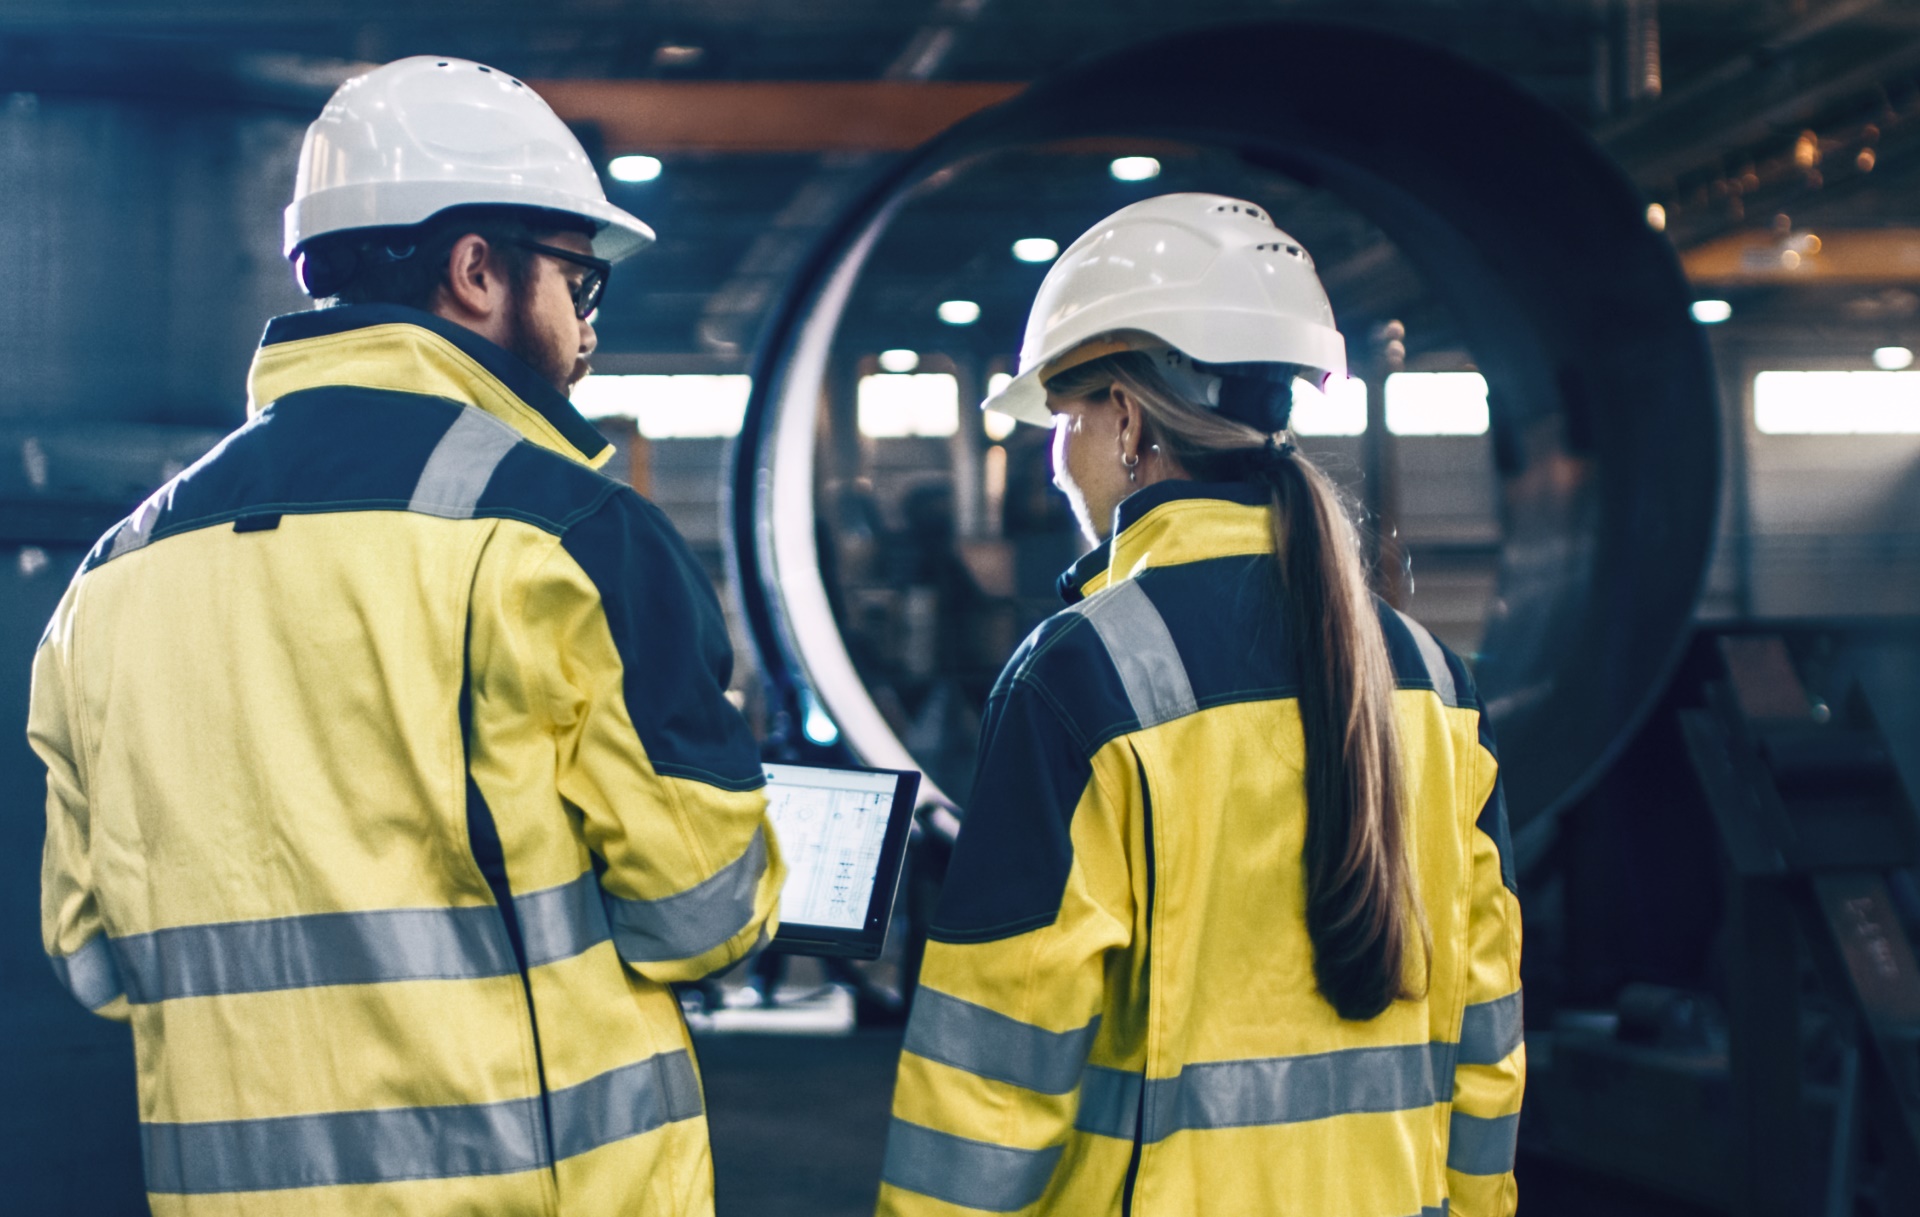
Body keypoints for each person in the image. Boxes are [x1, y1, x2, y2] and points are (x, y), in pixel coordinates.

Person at [33, 56, 783, 1215]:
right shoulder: (563, 533)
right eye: (581, 283)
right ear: (477, 270)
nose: (588, 330)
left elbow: (94, 957)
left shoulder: (112, 580)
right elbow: (704, 915)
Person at [876, 194, 1523, 1217]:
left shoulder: (1080, 676)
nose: (1058, 457)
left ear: (1126, 418)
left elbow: (991, 1076)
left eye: (1064, 417)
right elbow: (1485, 1028)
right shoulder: (1435, 683)